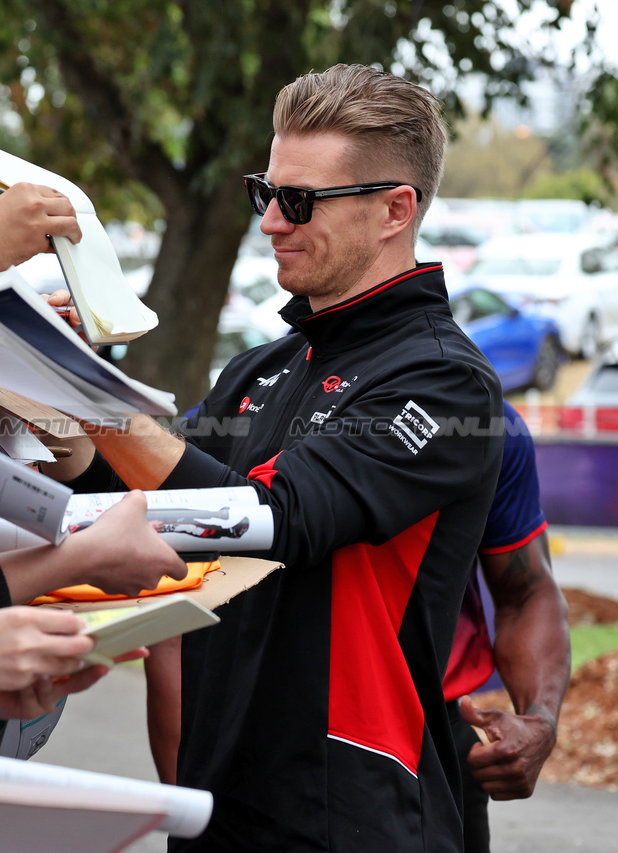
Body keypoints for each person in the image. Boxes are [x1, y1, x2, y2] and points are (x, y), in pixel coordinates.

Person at [83, 64, 504, 852]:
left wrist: (88, 397)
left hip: (352, 808)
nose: (271, 221)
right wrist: (38, 395)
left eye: (299, 200)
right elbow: (142, 494)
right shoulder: (263, 364)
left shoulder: (444, 379)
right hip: (221, 795)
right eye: (264, 192)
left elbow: (273, 520)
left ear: (394, 210)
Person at [443, 401, 570, 853]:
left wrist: (540, 720)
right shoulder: (244, 400)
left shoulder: (483, 417)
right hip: (264, 725)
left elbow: (528, 592)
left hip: (434, 743)